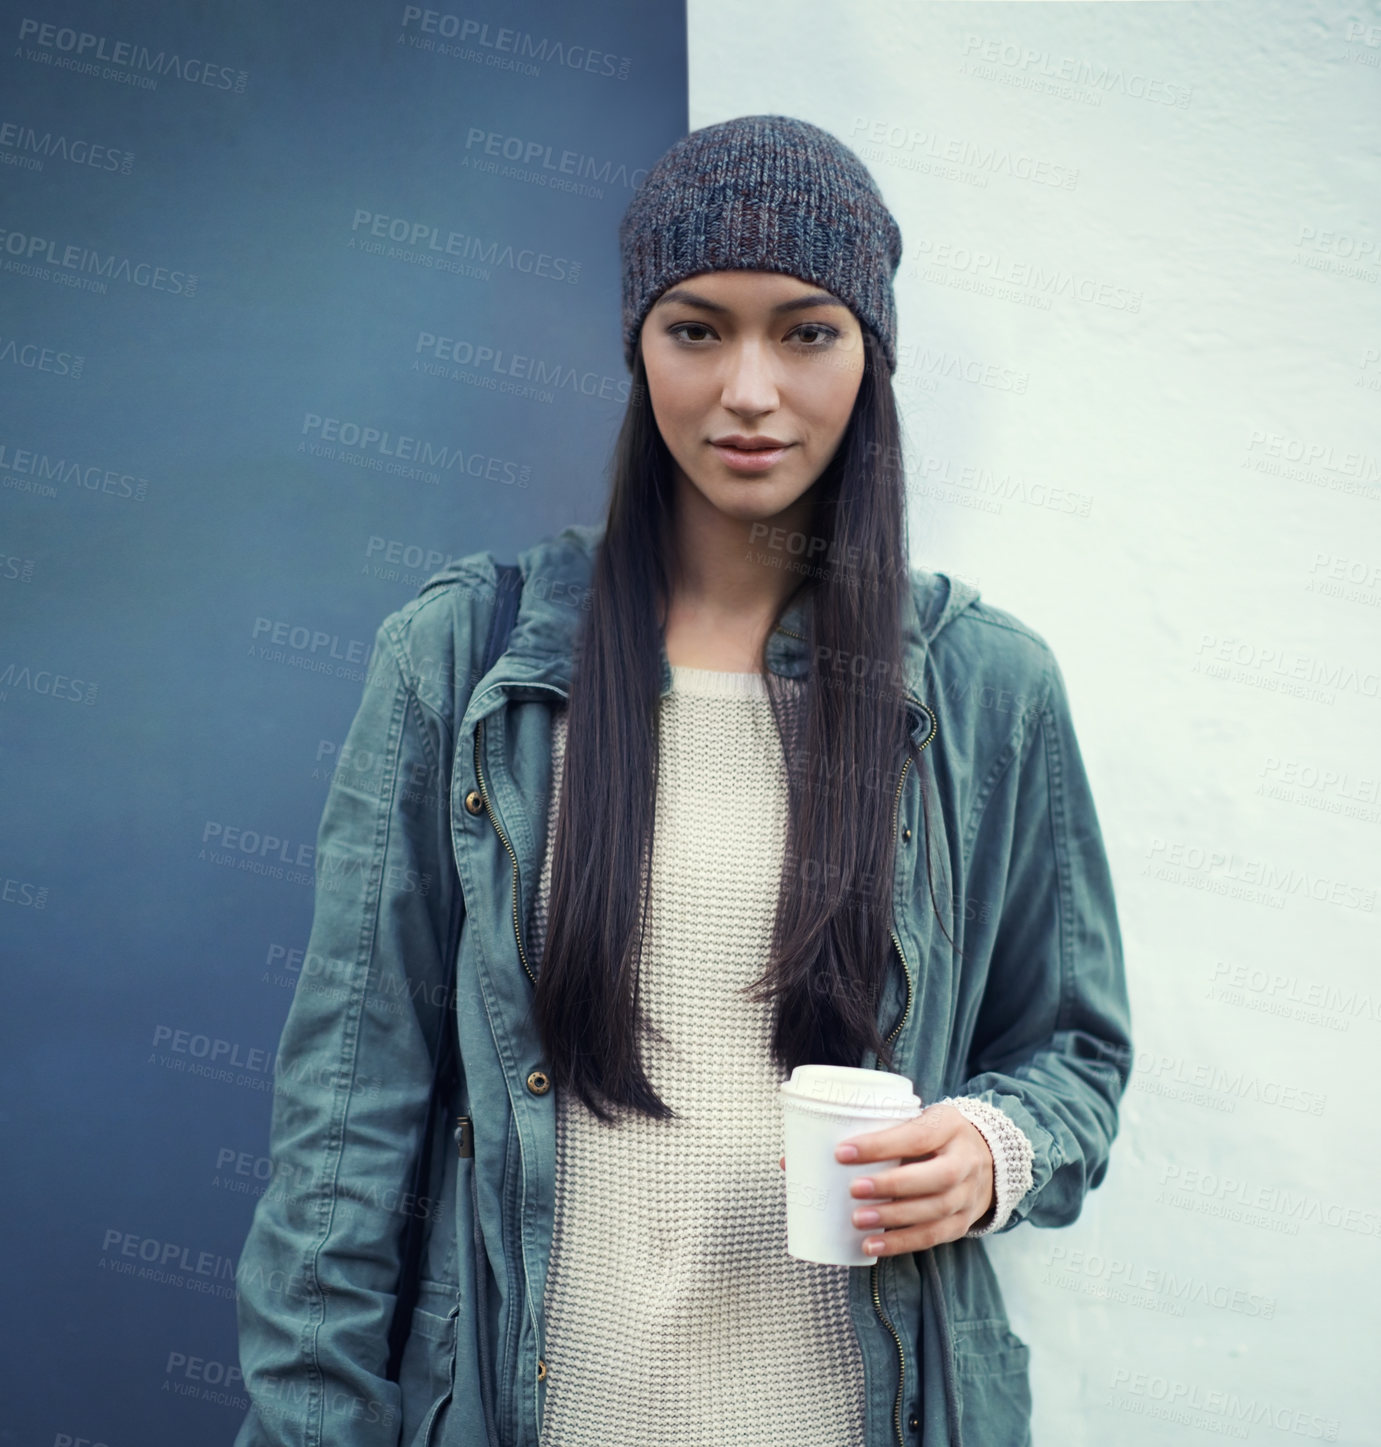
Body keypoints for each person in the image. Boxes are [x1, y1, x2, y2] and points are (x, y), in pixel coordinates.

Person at [231, 114, 1133, 1447]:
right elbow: (341, 1127)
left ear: (871, 355)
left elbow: (1071, 1051)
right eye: (696, 328)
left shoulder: (984, 683)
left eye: (805, 331)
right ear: (635, 347)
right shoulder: (463, 657)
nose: (748, 389)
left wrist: (993, 1154)